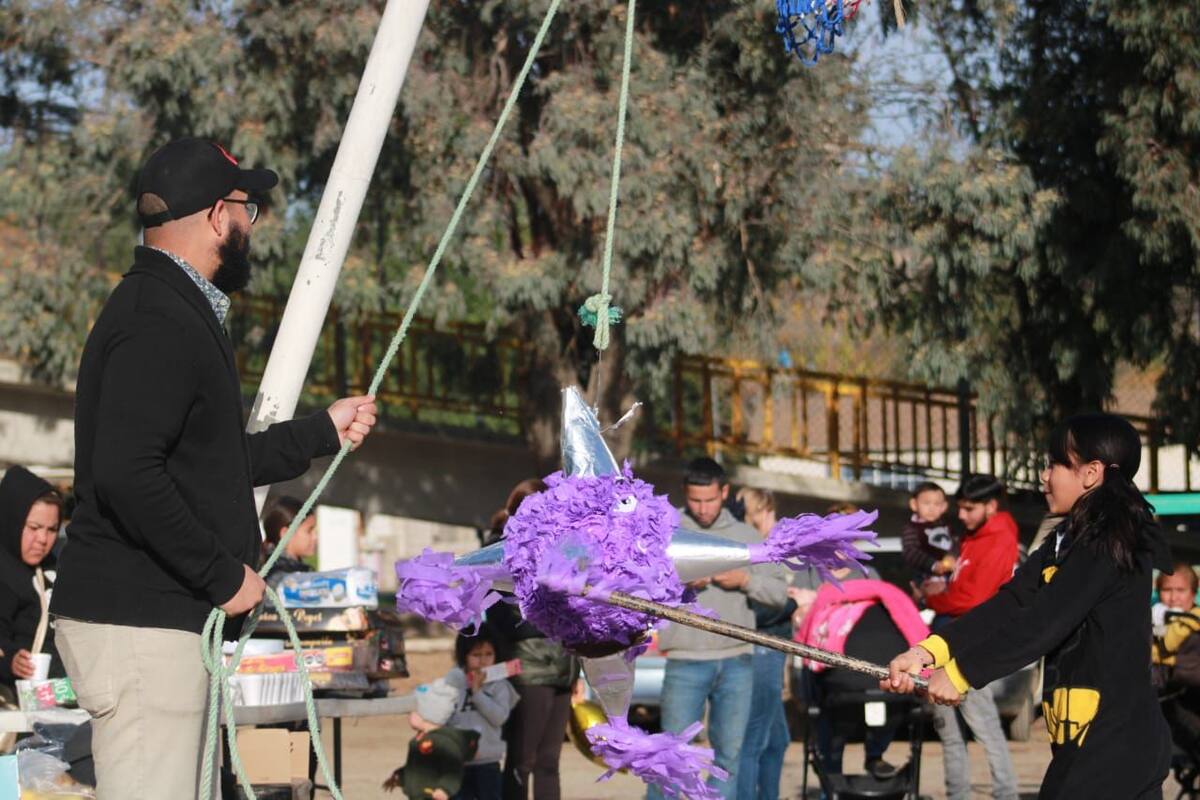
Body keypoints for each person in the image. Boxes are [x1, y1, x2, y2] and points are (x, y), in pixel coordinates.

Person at [49, 137, 378, 799]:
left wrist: (320, 431)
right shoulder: (158, 319)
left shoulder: (170, 308)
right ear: (212, 216)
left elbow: (207, 463)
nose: (249, 224)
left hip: (156, 625)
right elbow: (126, 474)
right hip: (142, 626)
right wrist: (222, 574)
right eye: (244, 208)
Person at [884, 413, 1172, 798]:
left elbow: (1044, 622)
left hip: (1116, 745)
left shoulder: (1107, 542)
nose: (1044, 475)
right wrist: (928, 652)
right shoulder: (1066, 539)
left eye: (1054, 464)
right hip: (1091, 743)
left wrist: (963, 673)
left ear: (1090, 473)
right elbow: (1011, 603)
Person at [648, 458, 788, 800]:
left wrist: (745, 580)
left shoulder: (745, 536)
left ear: (724, 492)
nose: (703, 508)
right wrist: (678, 583)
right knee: (670, 757)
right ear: (685, 493)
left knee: (728, 758)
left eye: (710, 500)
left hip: (737, 659)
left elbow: (778, 594)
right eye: (695, 500)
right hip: (685, 658)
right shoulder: (666, 532)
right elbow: (639, 589)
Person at [915, 474, 1019, 800]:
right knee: (949, 731)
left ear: (990, 506)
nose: (961, 515)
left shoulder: (1000, 537)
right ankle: (956, 794)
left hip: (971, 644)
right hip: (948, 636)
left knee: (984, 728)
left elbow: (975, 599)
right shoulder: (975, 535)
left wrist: (933, 599)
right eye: (959, 507)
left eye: (969, 508)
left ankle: (1006, 794)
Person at [487, 479, 579, 800]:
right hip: (527, 665)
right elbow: (500, 615)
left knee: (549, 761)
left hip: (563, 665)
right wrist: (550, 616)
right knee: (521, 758)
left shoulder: (566, 547)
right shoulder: (502, 550)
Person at [734, 487, 794, 800]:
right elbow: (758, 609)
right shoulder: (745, 548)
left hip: (776, 648)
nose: (773, 519)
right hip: (761, 647)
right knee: (753, 739)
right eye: (766, 512)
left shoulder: (771, 549)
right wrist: (791, 603)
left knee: (778, 740)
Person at [0, 466, 65, 692]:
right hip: (14, 708)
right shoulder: (5, 573)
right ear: (13, 520)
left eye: (52, 529)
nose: (43, 539)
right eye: (34, 528)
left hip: (58, 697)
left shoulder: (55, 567)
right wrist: (9, 661)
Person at [445, 627, 519, 800]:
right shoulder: (455, 683)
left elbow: (499, 717)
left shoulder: (500, 686)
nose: (483, 661)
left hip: (488, 763)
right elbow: (445, 718)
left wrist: (477, 694)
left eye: (488, 654)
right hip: (458, 762)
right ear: (464, 656)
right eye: (476, 655)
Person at [384, 680, 480, 800]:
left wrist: (445, 789)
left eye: (412, 712)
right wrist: (401, 776)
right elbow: (417, 768)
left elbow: (453, 770)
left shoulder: (443, 742)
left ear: (427, 714)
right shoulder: (419, 739)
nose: (408, 715)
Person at [901, 482, 956, 589]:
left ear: (944, 507)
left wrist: (952, 556)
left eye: (937, 504)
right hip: (925, 577)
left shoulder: (946, 526)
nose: (931, 509)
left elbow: (956, 544)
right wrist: (933, 565)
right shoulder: (912, 528)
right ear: (914, 504)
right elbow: (910, 551)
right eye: (926, 503)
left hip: (949, 577)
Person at [261, 495, 317, 586]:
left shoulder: (296, 569)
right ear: (286, 533)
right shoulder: (277, 577)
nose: (315, 536)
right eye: (309, 530)